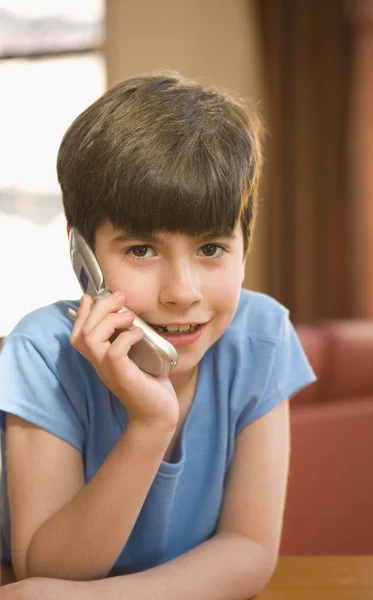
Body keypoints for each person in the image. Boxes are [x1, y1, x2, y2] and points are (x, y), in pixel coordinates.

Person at [0, 72, 316, 599]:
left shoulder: (264, 338)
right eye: (141, 250)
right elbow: (48, 568)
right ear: (84, 260)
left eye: (211, 249)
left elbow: (249, 551)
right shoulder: (39, 353)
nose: (182, 292)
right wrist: (150, 424)